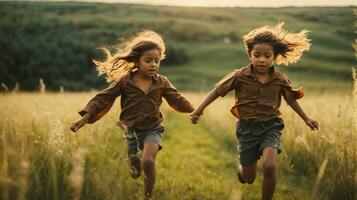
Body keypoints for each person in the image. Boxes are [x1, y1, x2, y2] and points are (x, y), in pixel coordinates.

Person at [190, 23, 319, 200]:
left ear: (274, 57)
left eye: (267, 56)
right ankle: (242, 171)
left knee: (269, 166)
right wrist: (198, 110)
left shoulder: (280, 79)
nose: (262, 60)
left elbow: (291, 100)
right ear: (250, 54)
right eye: (257, 55)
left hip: (271, 127)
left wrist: (307, 118)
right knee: (249, 178)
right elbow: (217, 91)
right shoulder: (239, 76)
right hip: (247, 129)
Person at [70, 30, 194, 199]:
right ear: (136, 61)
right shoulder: (125, 81)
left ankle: (148, 196)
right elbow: (103, 98)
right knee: (136, 170)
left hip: (153, 129)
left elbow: (177, 98)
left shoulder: (161, 82)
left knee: (148, 161)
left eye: (157, 61)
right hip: (131, 133)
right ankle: (135, 166)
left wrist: (195, 110)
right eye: (148, 60)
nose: (153, 65)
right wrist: (84, 118)